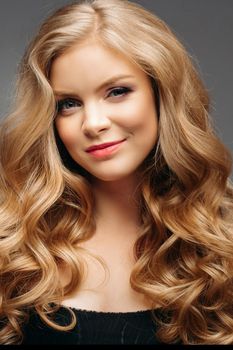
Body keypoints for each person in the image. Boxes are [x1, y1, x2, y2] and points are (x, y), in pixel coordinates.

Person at [0, 0, 232, 345]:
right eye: (69, 103)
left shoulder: (221, 245)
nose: (93, 124)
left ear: (161, 93)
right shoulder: (14, 245)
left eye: (117, 92)